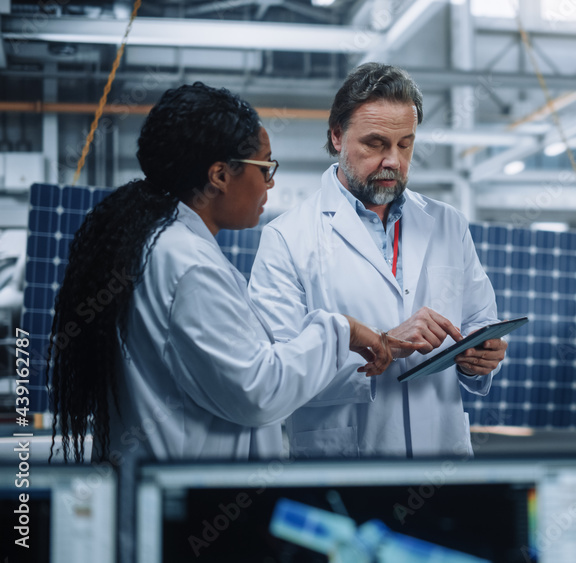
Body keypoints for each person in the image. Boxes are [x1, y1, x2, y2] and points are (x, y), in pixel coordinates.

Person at [48, 82, 416, 467]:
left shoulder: (162, 243)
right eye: (264, 166)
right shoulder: (189, 264)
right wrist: (341, 329)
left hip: (170, 484)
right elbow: (258, 392)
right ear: (220, 176)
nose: (270, 183)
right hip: (191, 497)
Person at [249, 63, 507, 459]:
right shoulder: (288, 238)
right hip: (345, 459)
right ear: (337, 136)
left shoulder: (447, 224)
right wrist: (384, 343)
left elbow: (479, 323)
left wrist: (480, 358)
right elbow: (279, 376)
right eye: (375, 143)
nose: (393, 161)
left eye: (405, 144)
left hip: (443, 456)